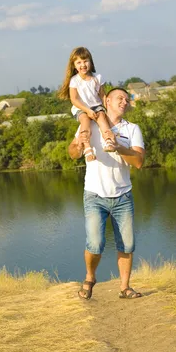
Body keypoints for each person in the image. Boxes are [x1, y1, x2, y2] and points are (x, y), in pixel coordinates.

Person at [68, 87, 145, 300]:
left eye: (127, 99)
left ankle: (124, 288)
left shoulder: (132, 129)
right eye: (120, 98)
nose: (125, 101)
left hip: (123, 196)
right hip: (95, 195)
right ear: (107, 100)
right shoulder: (90, 125)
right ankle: (90, 277)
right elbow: (72, 153)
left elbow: (138, 162)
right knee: (95, 243)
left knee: (127, 244)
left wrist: (119, 147)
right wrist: (79, 146)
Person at [58, 47, 116, 162]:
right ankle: (87, 147)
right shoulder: (74, 80)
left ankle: (108, 141)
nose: (83, 65)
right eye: (79, 62)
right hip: (81, 108)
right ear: (74, 65)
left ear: (90, 62)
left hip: (96, 106)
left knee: (102, 118)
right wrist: (87, 110)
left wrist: (108, 109)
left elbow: (102, 96)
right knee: (85, 120)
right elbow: (74, 100)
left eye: (85, 61)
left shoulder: (97, 78)